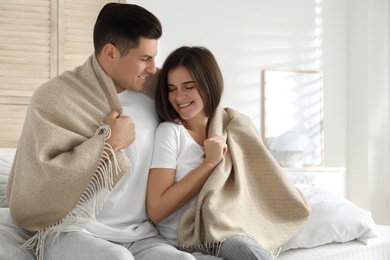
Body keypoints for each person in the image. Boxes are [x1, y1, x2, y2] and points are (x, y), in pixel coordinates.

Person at [6, 4, 220, 260]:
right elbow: (35, 182)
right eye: (144, 59)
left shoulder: (157, 90)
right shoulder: (55, 97)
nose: (153, 68)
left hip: (140, 234)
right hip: (73, 229)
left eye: (154, 57)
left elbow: (206, 109)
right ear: (110, 53)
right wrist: (107, 143)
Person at [146, 46, 283, 260]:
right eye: (171, 88)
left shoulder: (232, 127)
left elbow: (256, 182)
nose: (178, 97)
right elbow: (156, 209)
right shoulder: (170, 133)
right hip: (188, 237)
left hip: (228, 226)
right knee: (246, 250)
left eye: (188, 86)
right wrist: (208, 164)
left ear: (208, 85)